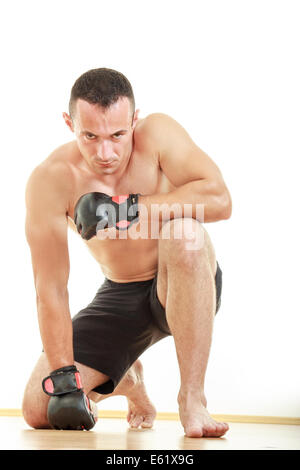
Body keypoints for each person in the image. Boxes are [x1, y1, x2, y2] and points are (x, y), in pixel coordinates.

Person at [22, 68, 232, 438]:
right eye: (90, 136)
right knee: (40, 409)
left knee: (185, 231)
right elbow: (51, 288)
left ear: (134, 120)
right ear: (69, 123)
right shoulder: (51, 179)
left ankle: (192, 397)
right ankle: (130, 380)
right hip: (120, 294)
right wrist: (64, 379)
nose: (106, 153)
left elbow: (219, 200)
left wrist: (128, 208)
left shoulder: (159, 134)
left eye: (118, 135)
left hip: (183, 277)